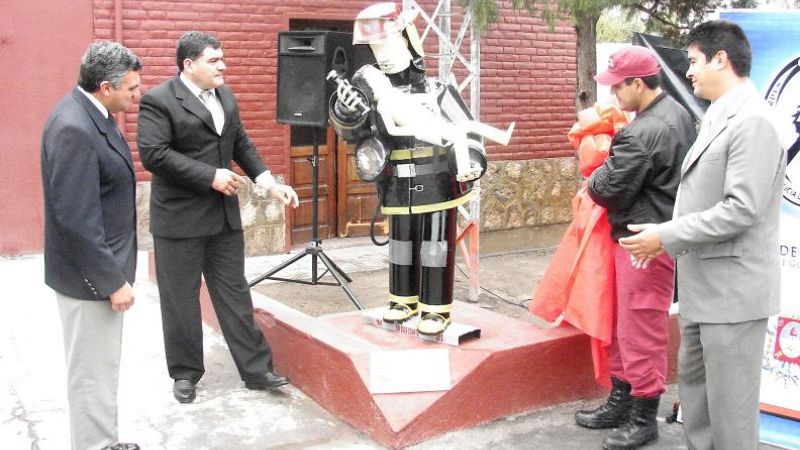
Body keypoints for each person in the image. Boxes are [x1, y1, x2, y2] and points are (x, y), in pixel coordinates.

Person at [619, 20, 787, 450]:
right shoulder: (718, 114)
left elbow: (741, 209)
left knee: (730, 420)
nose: (688, 71)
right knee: (700, 410)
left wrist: (667, 236)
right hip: (703, 293)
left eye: (693, 61)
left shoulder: (754, 122)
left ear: (720, 59)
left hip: (732, 298)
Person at [328, 2, 512, 335]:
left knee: (436, 245)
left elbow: (466, 129)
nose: (382, 53)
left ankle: (436, 309)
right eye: (376, 47)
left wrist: (470, 159)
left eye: (388, 44)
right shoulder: (374, 95)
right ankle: (401, 300)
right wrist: (346, 109)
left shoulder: (439, 91)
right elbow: (352, 132)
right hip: (397, 183)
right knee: (400, 243)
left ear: (409, 42)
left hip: (438, 180)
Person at [137, 31, 299, 403]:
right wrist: (210, 175)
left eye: (222, 58)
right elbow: (154, 154)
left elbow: (240, 142)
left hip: (223, 218)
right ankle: (185, 374)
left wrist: (268, 183)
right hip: (178, 220)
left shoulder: (225, 96)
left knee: (234, 293)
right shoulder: (158, 101)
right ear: (188, 65)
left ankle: (257, 371)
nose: (223, 65)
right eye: (214, 60)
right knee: (181, 299)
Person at [573, 46, 696, 450]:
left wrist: (595, 171)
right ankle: (622, 402)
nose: (612, 97)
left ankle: (643, 418)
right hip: (651, 235)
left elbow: (605, 188)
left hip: (644, 243)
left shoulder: (640, 132)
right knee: (626, 325)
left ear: (638, 84)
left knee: (641, 330)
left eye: (616, 88)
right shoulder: (678, 114)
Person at [41, 41, 141, 450]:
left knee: (101, 368)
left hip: (100, 270)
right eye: (131, 88)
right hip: (90, 278)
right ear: (105, 86)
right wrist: (110, 280)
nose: (137, 94)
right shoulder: (73, 128)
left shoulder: (93, 113)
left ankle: (103, 440)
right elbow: (75, 218)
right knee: (91, 373)